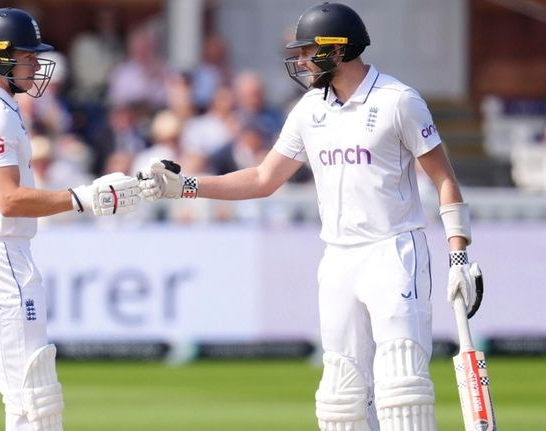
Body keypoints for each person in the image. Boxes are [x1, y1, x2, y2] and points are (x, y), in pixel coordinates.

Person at [136, 3, 482, 431]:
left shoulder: (399, 101)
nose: (300, 61)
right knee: (341, 397)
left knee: (401, 387)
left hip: (393, 251)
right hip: (337, 257)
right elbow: (264, 178)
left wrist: (459, 254)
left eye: (308, 50)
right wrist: (185, 185)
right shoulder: (308, 111)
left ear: (338, 51)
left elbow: (444, 180)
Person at [0, 8, 141, 431]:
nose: (35, 65)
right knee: (33, 402)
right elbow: (9, 200)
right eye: (27, 56)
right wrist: (85, 198)